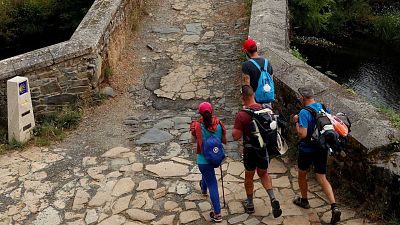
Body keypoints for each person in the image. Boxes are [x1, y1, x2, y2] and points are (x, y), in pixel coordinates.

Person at [293, 87, 341, 224]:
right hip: (322, 148)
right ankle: (334, 206)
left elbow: (303, 134)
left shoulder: (303, 112)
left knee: (302, 173)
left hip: (307, 149)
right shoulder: (323, 107)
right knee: (321, 177)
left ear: (303, 98)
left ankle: (304, 200)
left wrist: (296, 121)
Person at [232, 85, 282, 218]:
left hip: (250, 150)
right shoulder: (266, 110)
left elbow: (235, 136)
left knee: (249, 176)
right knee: (263, 173)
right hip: (264, 149)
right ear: (253, 94)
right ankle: (272, 198)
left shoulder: (242, 115)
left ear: (243, 98)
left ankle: (250, 204)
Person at [190, 102, 227, 223]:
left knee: (212, 182)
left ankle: (217, 214)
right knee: (208, 175)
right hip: (216, 157)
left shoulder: (197, 126)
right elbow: (223, 140)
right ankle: (203, 189)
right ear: (212, 112)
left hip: (203, 160)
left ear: (200, 113)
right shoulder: (219, 125)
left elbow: (192, 140)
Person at [241, 39, 274, 105]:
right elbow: (271, 81)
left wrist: (245, 103)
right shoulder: (267, 63)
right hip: (267, 98)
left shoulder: (246, 65)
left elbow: (247, 85)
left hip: (254, 101)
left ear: (246, 51)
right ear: (256, 48)